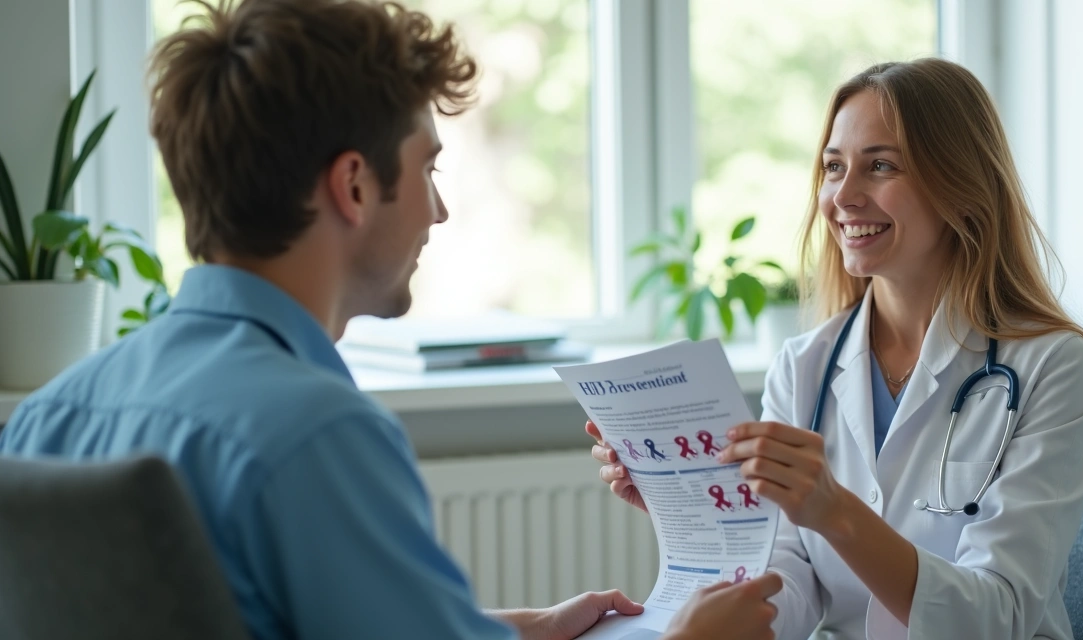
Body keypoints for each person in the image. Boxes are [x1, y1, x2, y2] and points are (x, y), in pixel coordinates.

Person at [0, 1, 783, 639]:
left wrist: (516, 632)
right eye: (427, 168)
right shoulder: (315, 434)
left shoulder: (43, 421)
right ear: (353, 185)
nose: (438, 210)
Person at [589, 58, 1083, 639]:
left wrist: (836, 511)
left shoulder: (1053, 366)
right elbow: (788, 577)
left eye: (881, 166)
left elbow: (999, 617)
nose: (843, 196)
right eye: (833, 167)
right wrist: (694, 506)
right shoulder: (805, 366)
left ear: (963, 187)